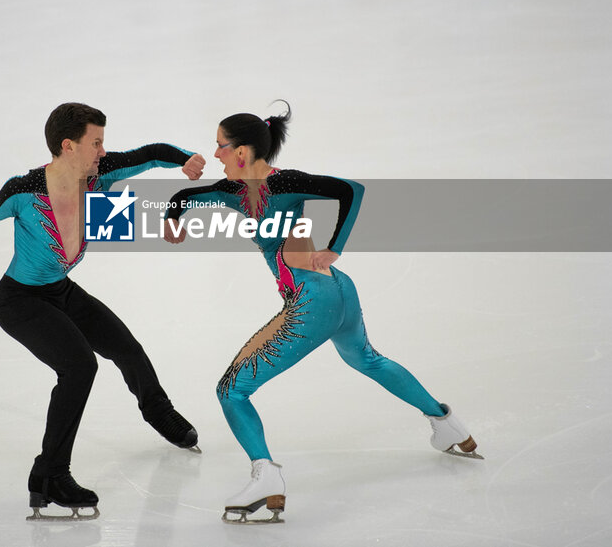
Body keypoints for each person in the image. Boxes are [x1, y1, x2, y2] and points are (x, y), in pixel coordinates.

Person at [163, 102, 480, 525]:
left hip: (311, 304)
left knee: (231, 391)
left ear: (242, 151)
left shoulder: (287, 182)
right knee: (365, 358)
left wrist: (336, 244)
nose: (215, 154)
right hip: (340, 290)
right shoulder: (232, 192)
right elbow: (185, 196)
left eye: (220, 146)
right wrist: (173, 219)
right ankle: (447, 423)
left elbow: (350, 190)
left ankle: (266, 476)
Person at [0, 102, 206, 521]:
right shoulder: (25, 191)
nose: (103, 151)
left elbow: (148, 154)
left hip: (60, 291)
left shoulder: (98, 176)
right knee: (79, 367)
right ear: (68, 147)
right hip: (20, 301)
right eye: (96, 143)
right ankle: (49, 475)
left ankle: (159, 413)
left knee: (125, 346)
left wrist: (185, 161)